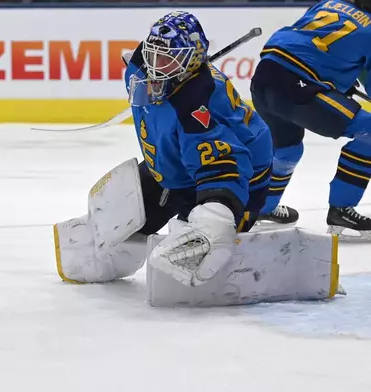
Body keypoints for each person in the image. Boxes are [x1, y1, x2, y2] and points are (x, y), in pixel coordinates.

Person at [50, 12, 344, 306]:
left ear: (191, 60)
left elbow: (225, 165)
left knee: (200, 251)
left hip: (240, 175)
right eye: (154, 55)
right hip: (171, 166)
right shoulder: (140, 70)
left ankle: (273, 256)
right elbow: (140, 61)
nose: (156, 67)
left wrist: (216, 218)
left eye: (167, 59)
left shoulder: (195, 108)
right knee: (114, 231)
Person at [251, 0, 371, 240]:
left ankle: (262, 207)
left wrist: (334, 79)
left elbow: (313, 44)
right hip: (298, 86)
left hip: (264, 77)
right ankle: (342, 212)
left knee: (287, 150)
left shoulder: (328, 3)